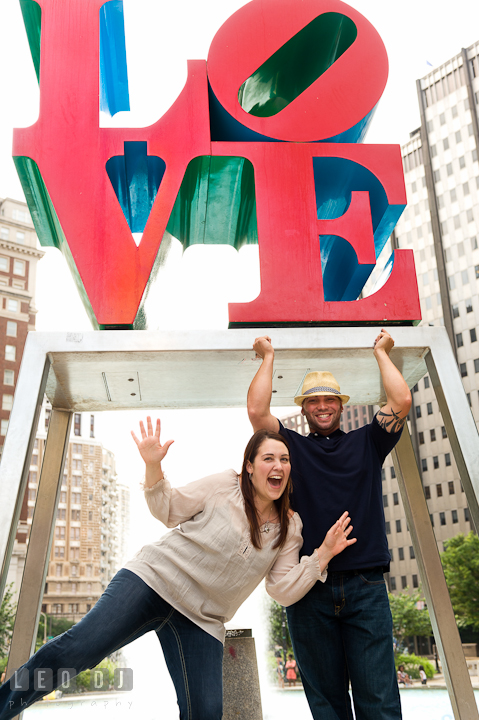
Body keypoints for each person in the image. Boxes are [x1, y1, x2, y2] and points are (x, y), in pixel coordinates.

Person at [0, 418, 356, 720]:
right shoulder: (224, 486)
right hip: (152, 581)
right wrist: (153, 465)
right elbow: (168, 509)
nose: (278, 466)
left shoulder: (289, 528)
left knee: (206, 712)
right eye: (268, 458)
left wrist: (322, 554)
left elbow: (281, 589)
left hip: (202, 620)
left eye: (284, 459)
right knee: (77, 651)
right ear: (249, 465)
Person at [247, 329, 412, 720]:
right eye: (314, 401)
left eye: (329, 399)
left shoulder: (369, 441)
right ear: (304, 408)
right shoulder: (289, 449)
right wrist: (268, 357)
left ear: (340, 404)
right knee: (326, 707)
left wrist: (381, 352)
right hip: (309, 588)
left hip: (365, 586)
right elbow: (257, 412)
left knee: (380, 704)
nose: (322, 406)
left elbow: (401, 400)